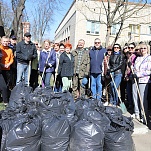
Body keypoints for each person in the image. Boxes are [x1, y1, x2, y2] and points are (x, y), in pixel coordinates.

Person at [132, 43, 151, 123]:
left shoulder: (149, 58)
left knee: (142, 99)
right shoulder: (138, 58)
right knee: (135, 97)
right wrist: (132, 69)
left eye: (144, 48)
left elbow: (149, 71)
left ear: (147, 49)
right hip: (135, 80)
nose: (142, 50)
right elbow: (135, 68)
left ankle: (144, 116)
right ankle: (137, 113)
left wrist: (138, 74)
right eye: (141, 48)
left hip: (144, 80)